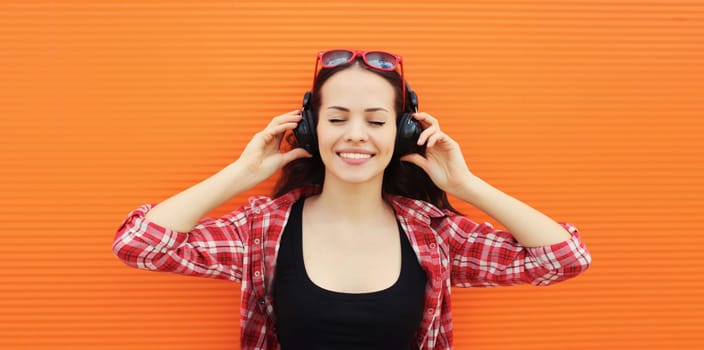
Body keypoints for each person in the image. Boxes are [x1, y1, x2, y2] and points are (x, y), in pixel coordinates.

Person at [112, 49, 591, 350]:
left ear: (403, 133)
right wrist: (240, 175)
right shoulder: (265, 228)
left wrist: (466, 186)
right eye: (337, 118)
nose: (355, 136)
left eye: (377, 121)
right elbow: (140, 245)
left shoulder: (432, 233)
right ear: (309, 129)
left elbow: (563, 259)